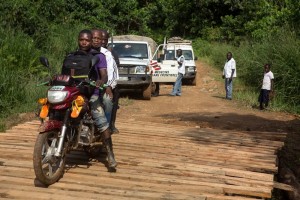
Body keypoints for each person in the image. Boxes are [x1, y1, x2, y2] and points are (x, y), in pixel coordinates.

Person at [77, 29, 117, 168]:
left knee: (100, 118)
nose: (85, 42)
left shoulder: (99, 56)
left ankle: (110, 153)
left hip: (92, 92)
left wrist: (101, 82)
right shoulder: (73, 55)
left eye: (87, 40)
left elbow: (104, 74)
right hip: (77, 92)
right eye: (82, 40)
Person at [91, 29, 120, 134]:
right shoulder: (82, 51)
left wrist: (108, 87)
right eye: (94, 38)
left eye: (100, 39)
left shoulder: (105, 54)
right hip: (85, 86)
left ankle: (106, 129)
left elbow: (109, 73)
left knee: (108, 101)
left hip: (102, 86)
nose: (98, 41)